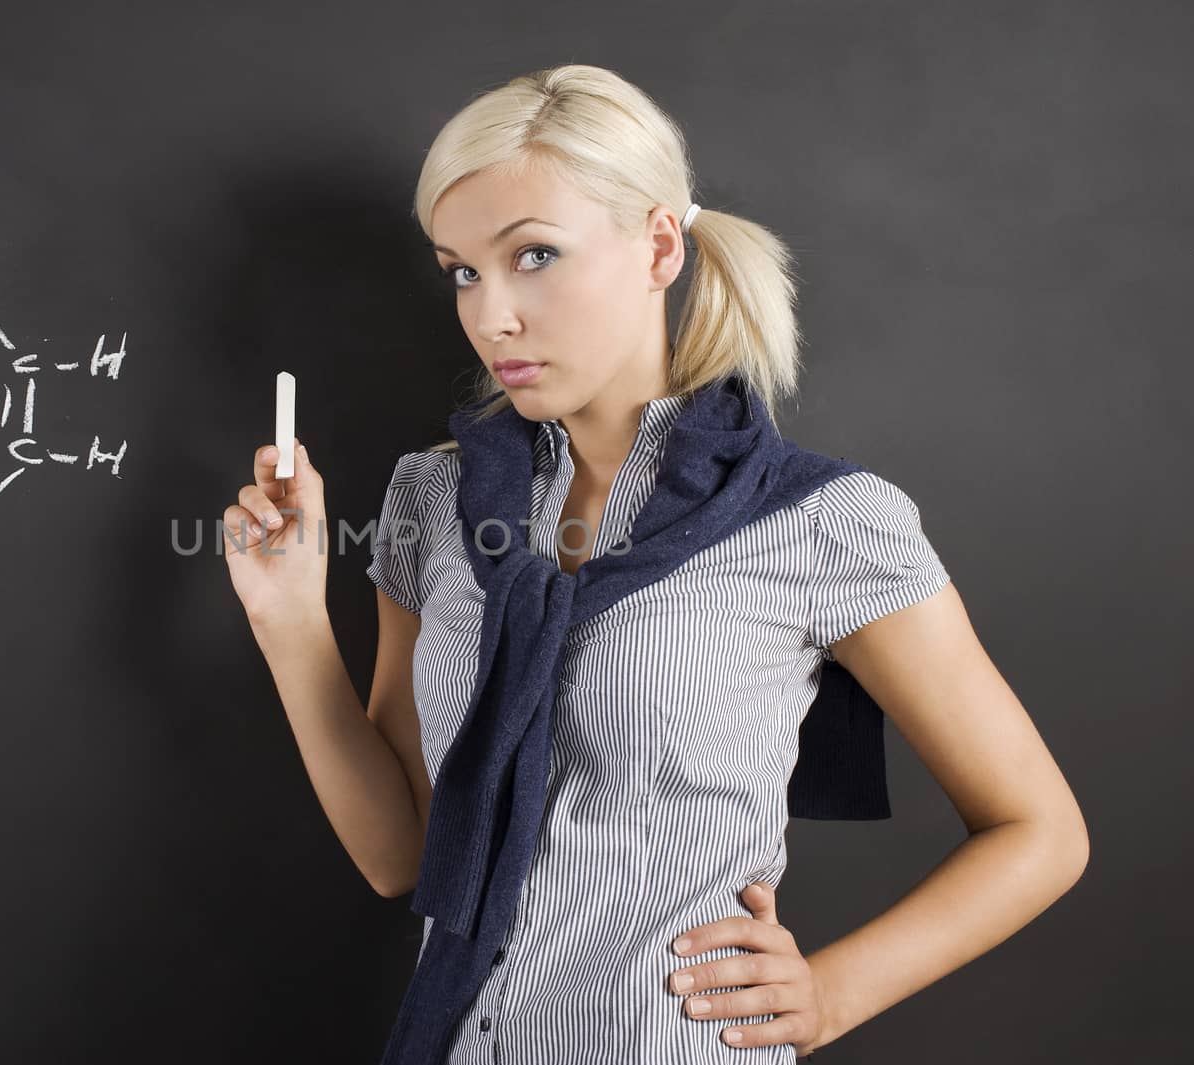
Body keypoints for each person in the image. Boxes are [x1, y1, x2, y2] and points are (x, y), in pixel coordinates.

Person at [222, 64, 1088, 1064]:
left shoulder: (820, 521)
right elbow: (399, 855)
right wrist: (287, 620)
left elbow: (1040, 831)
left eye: (532, 255)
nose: (490, 313)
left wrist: (831, 995)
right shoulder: (434, 498)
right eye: (461, 270)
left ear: (659, 246)